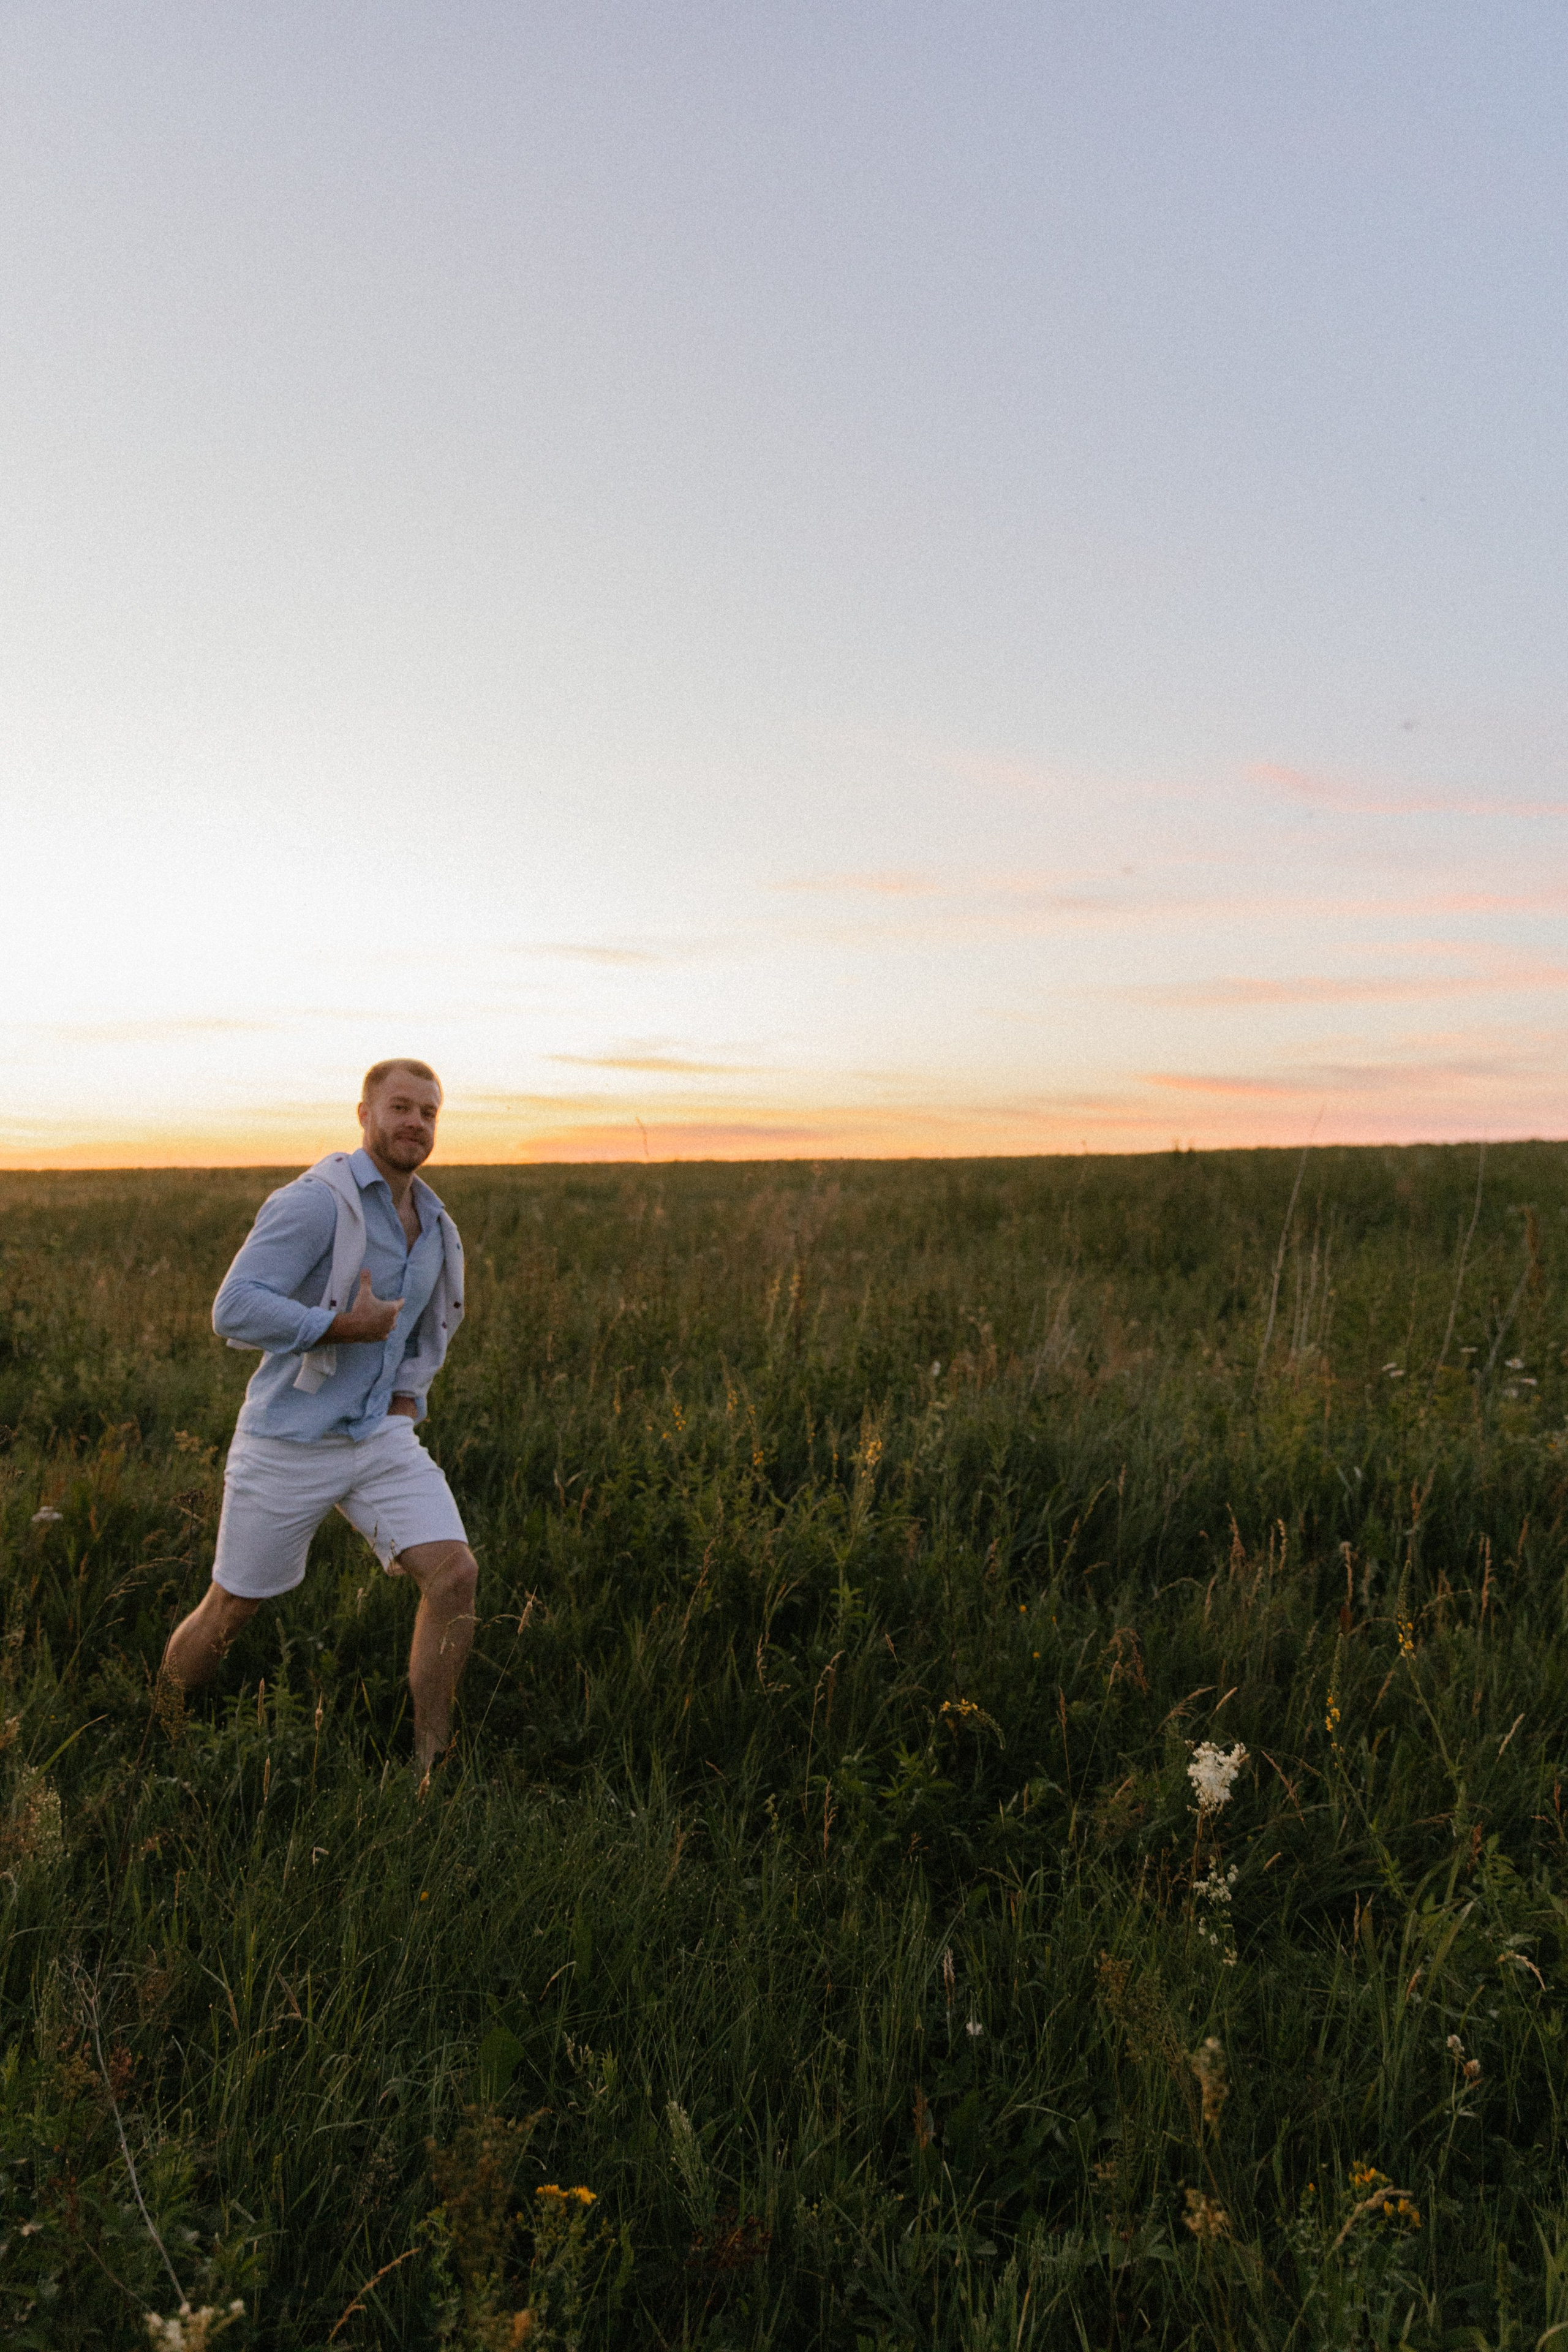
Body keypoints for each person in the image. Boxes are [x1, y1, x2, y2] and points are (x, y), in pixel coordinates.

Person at [160, 1060, 477, 1779]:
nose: (415, 1124)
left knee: (455, 1574)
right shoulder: (315, 1203)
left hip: (379, 1435)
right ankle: (160, 1725)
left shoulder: (432, 1223)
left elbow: (428, 1328)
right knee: (231, 1609)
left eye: (428, 1113)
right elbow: (233, 1307)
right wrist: (337, 1329)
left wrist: (407, 1396)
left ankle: (434, 1762)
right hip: (290, 1439)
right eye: (399, 1107)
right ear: (364, 1114)